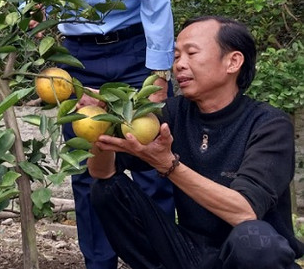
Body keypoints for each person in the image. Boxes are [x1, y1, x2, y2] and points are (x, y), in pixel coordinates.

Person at [28, 0, 175, 269]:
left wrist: (158, 73)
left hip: (135, 54)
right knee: (89, 166)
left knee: (150, 162)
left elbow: (156, 5)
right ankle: (99, 262)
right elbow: (36, 16)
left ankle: (157, 258)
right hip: (77, 58)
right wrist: (58, 72)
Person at [89, 16, 304, 269]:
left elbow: (244, 211)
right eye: (177, 56)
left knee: (253, 239)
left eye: (191, 53)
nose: (180, 65)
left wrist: (168, 164)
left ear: (233, 62)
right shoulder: (171, 113)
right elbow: (101, 171)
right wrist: (101, 125)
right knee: (107, 191)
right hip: (192, 254)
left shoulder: (268, 124)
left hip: (251, 257)